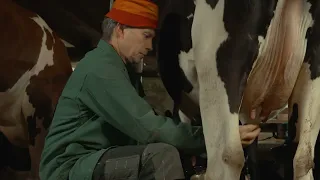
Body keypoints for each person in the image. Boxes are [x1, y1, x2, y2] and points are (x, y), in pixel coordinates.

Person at [39, 0, 261, 179]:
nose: (149, 47)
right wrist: (217, 138)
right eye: (146, 36)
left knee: (168, 151)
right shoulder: (100, 69)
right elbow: (149, 129)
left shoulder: (121, 69)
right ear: (120, 31)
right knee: (162, 157)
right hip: (68, 168)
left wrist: (193, 145)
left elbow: (144, 130)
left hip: (94, 160)